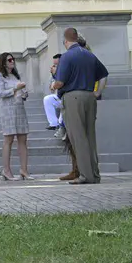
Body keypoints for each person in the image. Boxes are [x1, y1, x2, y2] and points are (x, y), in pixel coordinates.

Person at [53, 27, 109, 184]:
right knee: (90, 137)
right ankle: (95, 174)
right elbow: (104, 74)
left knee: (78, 138)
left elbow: (60, 82)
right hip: (90, 96)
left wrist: (53, 86)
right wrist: (97, 93)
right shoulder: (89, 55)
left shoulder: (67, 56)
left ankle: (85, 175)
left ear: (65, 41)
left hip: (72, 97)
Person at [0, 51, 31, 180]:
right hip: (8, 110)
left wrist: (24, 92)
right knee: (8, 140)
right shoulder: (0, 76)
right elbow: (1, 93)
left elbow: (22, 93)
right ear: (3, 63)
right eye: (9, 60)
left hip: (19, 109)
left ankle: (24, 170)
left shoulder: (15, 76)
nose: (12, 61)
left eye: (13, 59)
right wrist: (15, 89)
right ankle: (6, 170)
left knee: (23, 139)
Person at [42, 53, 77, 181]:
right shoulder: (55, 73)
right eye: (54, 64)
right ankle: (55, 124)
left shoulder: (66, 69)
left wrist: (56, 75)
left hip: (68, 97)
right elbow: (52, 88)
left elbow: (61, 83)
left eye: (57, 64)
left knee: (64, 105)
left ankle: (61, 126)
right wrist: (54, 75)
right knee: (48, 99)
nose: (55, 66)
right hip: (60, 97)